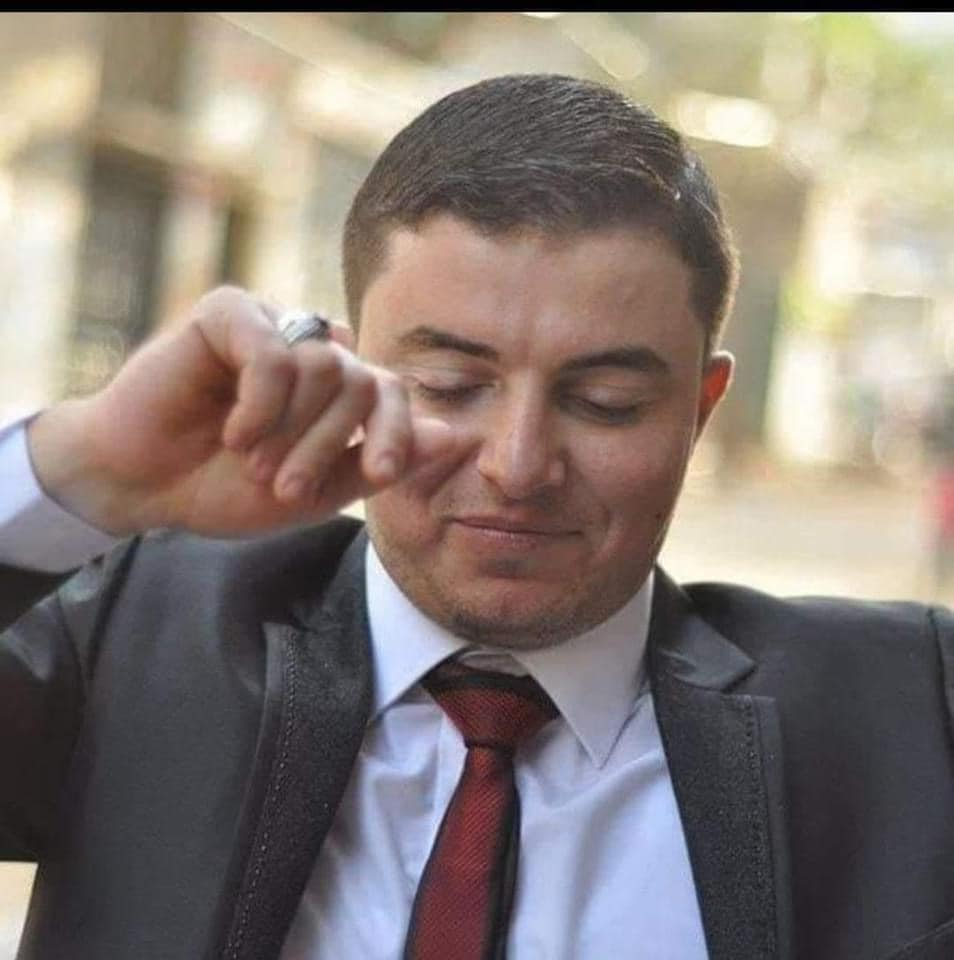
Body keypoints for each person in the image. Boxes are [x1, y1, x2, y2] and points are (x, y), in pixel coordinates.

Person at [2, 72, 954, 960]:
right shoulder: (130, 634)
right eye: (450, 386)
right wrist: (81, 469)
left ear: (698, 413)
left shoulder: (911, 712)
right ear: (349, 370)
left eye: (608, 404)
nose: (518, 465)